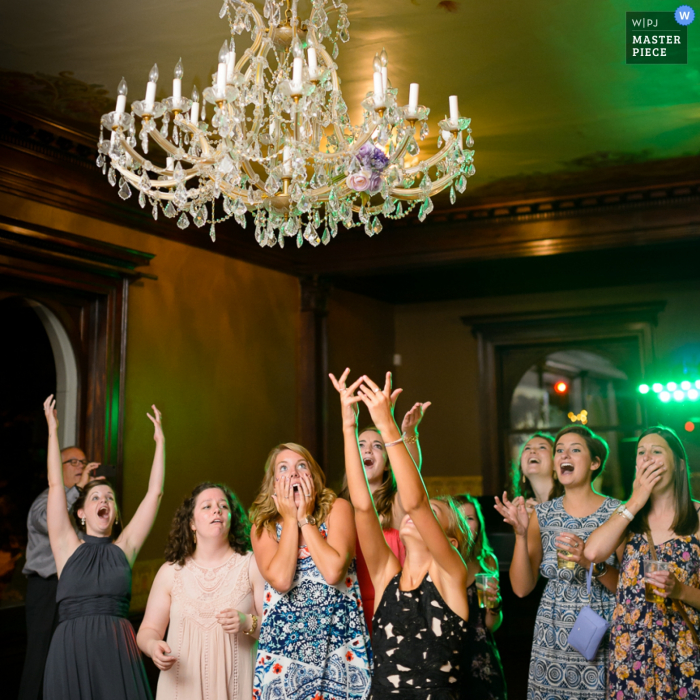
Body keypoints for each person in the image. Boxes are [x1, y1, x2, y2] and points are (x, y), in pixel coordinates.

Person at [335, 370, 469, 699]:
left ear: (449, 542)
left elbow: (417, 502)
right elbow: (363, 508)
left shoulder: (450, 575)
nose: (412, 516)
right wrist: (348, 425)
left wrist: (388, 426)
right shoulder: (386, 578)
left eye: (432, 518)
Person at [41, 395, 165, 700]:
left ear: (116, 513)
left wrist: (160, 441)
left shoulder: (125, 548)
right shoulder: (66, 545)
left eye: (109, 498)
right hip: (70, 648)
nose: (104, 501)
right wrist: (52, 430)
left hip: (116, 649)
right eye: (95, 497)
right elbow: (56, 485)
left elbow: (155, 493)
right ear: (81, 513)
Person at [495, 424, 620, 700]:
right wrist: (520, 534)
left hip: (601, 627)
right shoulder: (543, 514)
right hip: (552, 631)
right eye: (560, 450)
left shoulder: (617, 513)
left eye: (575, 450)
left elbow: (626, 588)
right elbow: (521, 588)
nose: (565, 455)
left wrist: (589, 563)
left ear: (595, 463)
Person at [584, 426, 700, 699]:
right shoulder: (627, 517)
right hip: (631, 652)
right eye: (641, 452)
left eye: (657, 451)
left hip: (683, 649)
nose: (647, 457)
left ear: (679, 466)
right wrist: (636, 500)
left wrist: (679, 591)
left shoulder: (697, 517)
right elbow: (592, 554)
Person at [250, 441, 371, 700]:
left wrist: (305, 518)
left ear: (313, 479)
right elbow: (281, 579)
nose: (293, 473)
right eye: (283, 468)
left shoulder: (337, 509)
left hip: (340, 647)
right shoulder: (264, 527)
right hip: (284, 656)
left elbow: (332, 572)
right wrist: (291, 518)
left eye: (301, 466)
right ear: (273, 484)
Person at [137, 482, 264, 700]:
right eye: (207, 506)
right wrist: (152, 646)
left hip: (237, 689)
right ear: (191, 523)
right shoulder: (170, 572)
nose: (217, 510)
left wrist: (246, 622)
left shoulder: (252, 565)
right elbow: (147, 630)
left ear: (232, 518)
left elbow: (277, 630)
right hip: (180, 689)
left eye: (223, 506)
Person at [334, 366, 430, 631]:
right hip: (349, 607)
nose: (368, 449)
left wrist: (408, 434)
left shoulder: (397, 504)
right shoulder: (338, 508)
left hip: (393, 605)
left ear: (387, 463)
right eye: (361, 444)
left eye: (377, 446)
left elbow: (411, 476)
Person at [18, 446, 101, 700]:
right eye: (73, 462)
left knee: (69, 659)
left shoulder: (81, 505)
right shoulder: (45, 500)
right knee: (40, 659)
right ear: (56, 467)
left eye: (83, 462)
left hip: (73, 590)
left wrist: (98, 496)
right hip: (46, 588)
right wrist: (76, 491)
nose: (80, 467)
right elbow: (50, 521)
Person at [454, 493, 508, 700]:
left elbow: (490, 625)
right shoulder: (437, 563)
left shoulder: (487, 561)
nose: (465, 524)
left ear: (479, 524)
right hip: (447, 658)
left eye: (470, 518)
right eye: (459, 519)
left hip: (481, 659)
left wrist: (494, 605)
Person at [509, 432, 562, 513]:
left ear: (555, 463)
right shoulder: (524, 510)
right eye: (527, 448)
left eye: (542, 447)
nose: (532, 451)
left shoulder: (569, 502)